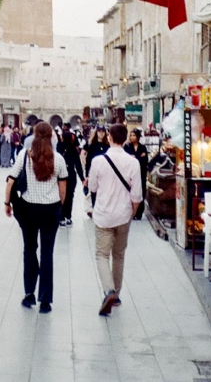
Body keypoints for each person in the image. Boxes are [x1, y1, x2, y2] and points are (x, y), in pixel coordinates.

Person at [5, 122, 68, 313]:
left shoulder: (24, 155)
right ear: (51, 136)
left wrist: (7, 203)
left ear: (33, 135)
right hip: (50, 210)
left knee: (30, 250)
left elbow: (10, 181)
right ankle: (46, 299)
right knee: (47, 253)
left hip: (28, 210)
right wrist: (59, 206)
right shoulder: (58, 159)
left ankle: (29, 293)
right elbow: (62, 187)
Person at [88, 123, 143, 316]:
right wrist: (132, 212)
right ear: (126, 138)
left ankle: (108, 290)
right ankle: (116, 295)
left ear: (109, 137)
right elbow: (137, 195)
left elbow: (92, 188)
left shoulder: (97, 161)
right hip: (123, 215)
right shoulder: (134, 162)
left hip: (103, 214)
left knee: (102, 255)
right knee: (119, 255)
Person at [56, 124, 84, 227]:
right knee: (70, 196)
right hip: (71, 174)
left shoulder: (58, 147)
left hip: (60, 176)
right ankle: (68, 217)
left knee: (61, 196)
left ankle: (61, 217)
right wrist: (82, 178)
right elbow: (78, 164)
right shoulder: (74, 149)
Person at [81, 126, 110, 214]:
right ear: (96, 133)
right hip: (93, 171)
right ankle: (94, 208)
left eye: (103, 131)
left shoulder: (107, 145)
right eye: (99, 131)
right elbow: (85, 156)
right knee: (93, 190)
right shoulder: (91, 145)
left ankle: (102, 208)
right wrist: (86, 173)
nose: (101, 133)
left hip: (105, 172)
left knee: (104, 191)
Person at [124, 129, 149, 221]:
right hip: (130, 173)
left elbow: (145, 161)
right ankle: (131, 212)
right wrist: (139, 157)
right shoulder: (127, 147)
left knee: (141, 191)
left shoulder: (143, 147)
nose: (132, 137)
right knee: (130, 191)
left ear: (138, 137)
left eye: (134, 135)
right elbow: (126, 160)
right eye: (131, 135)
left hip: (141, 173)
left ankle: (139, 213)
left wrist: (135, 157)